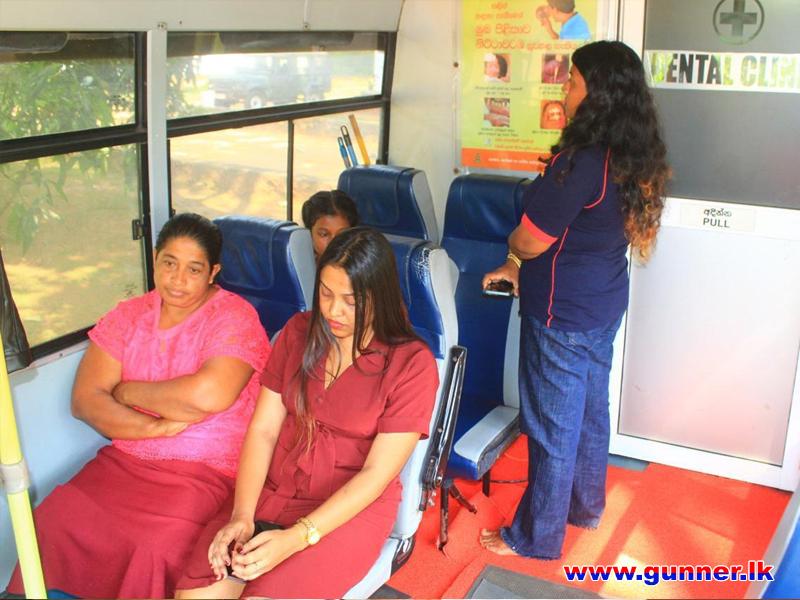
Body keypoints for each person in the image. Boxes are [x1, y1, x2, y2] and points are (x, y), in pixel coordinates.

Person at [4, 213, 270, 599]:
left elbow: (208, 396)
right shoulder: (129, 316)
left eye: (194, 269)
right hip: (126, 459)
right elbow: (86, 400)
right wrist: (154, 427)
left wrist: (126, 393)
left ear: (213, 272)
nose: (177, 279)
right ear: (155, 258)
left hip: (205, 472)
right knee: (52, 518)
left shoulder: (233, 317)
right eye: (169, 263)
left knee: (154, 547)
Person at [479, 41, 670, 559]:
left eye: (572, 81)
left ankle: (536, 538)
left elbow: (530, 240)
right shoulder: (631, 154)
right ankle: (585, 508)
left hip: (561, 314)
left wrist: (515, 245)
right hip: (603, 305)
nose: (563, 89)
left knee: (551, 428)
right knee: (588, 411)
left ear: (598, 94)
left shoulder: (581, 162)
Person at [176, 226, 439, 599]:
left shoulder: (411, 364)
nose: (333, 310)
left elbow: (376, 475)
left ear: (379, 297)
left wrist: (298, 537)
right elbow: (264, 430)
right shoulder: (299, 332)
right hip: (273, 490)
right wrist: (242, 516)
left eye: (350, 301)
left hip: (347, 511)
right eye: (326, 293)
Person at [301, 189, 359, 259]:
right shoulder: (299, 263)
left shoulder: (363, 263)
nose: (333, 243)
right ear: (310, 234)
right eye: (324, 234)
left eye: (342, 234)